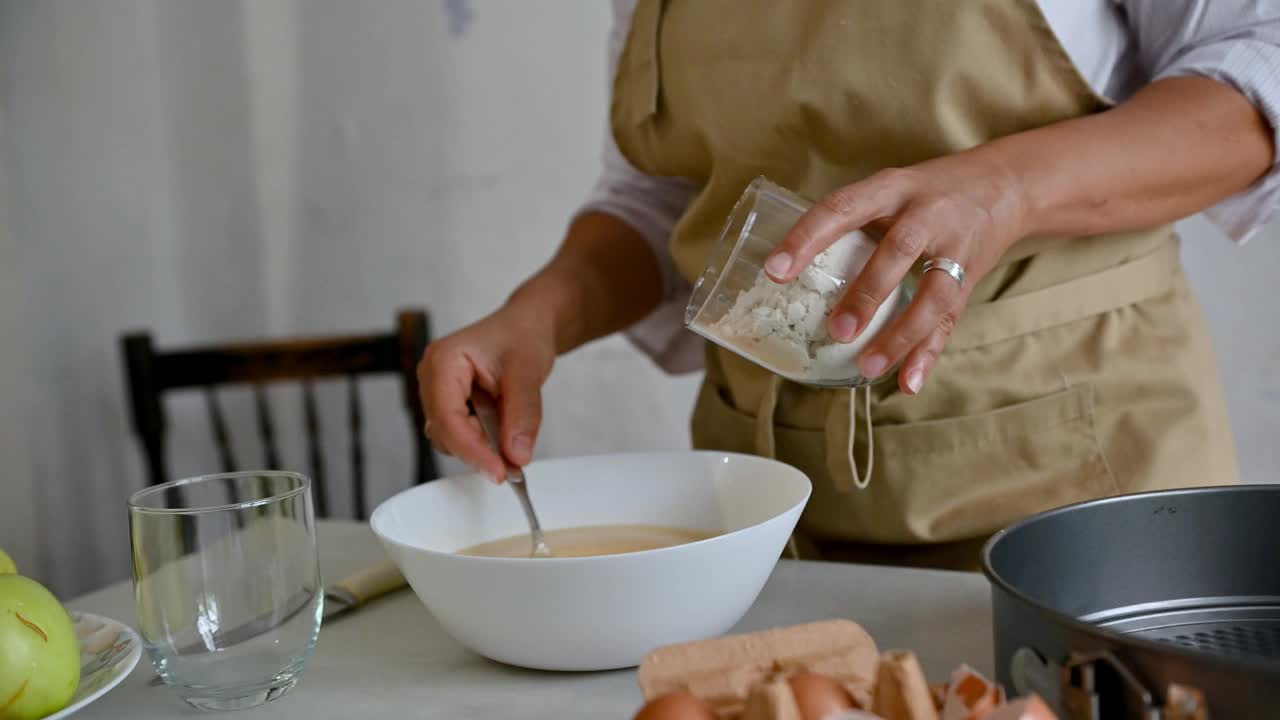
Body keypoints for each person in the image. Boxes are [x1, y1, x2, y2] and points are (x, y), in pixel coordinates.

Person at [420, 0, 1280, 570]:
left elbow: (1262, 74)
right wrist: (534, 319)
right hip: (761, 513)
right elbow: (669, 191)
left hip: (1074, 491)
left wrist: (1007, 189)